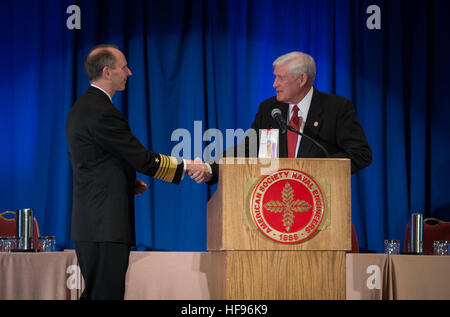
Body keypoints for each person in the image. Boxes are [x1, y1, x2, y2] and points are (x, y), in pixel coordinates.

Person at [66, 44, 207, 300]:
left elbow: (93, 162)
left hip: (92, 224)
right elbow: (141, 158)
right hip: (104, 225)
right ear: (108, 72)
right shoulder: (102, 112)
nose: (129, 73)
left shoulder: (83, 108)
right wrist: (187, 166)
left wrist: (127, 182)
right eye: (124, 67)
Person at [188, 51, 372, 184]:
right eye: (275, 77)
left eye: (281, 78)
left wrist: (315, 169)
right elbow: (248, 148)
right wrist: (210, 168)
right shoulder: (270, 109)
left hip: (320, 197)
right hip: (274, 200)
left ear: (301, 79)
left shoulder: (336, 108)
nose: (274, 84)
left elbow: (360, 154)